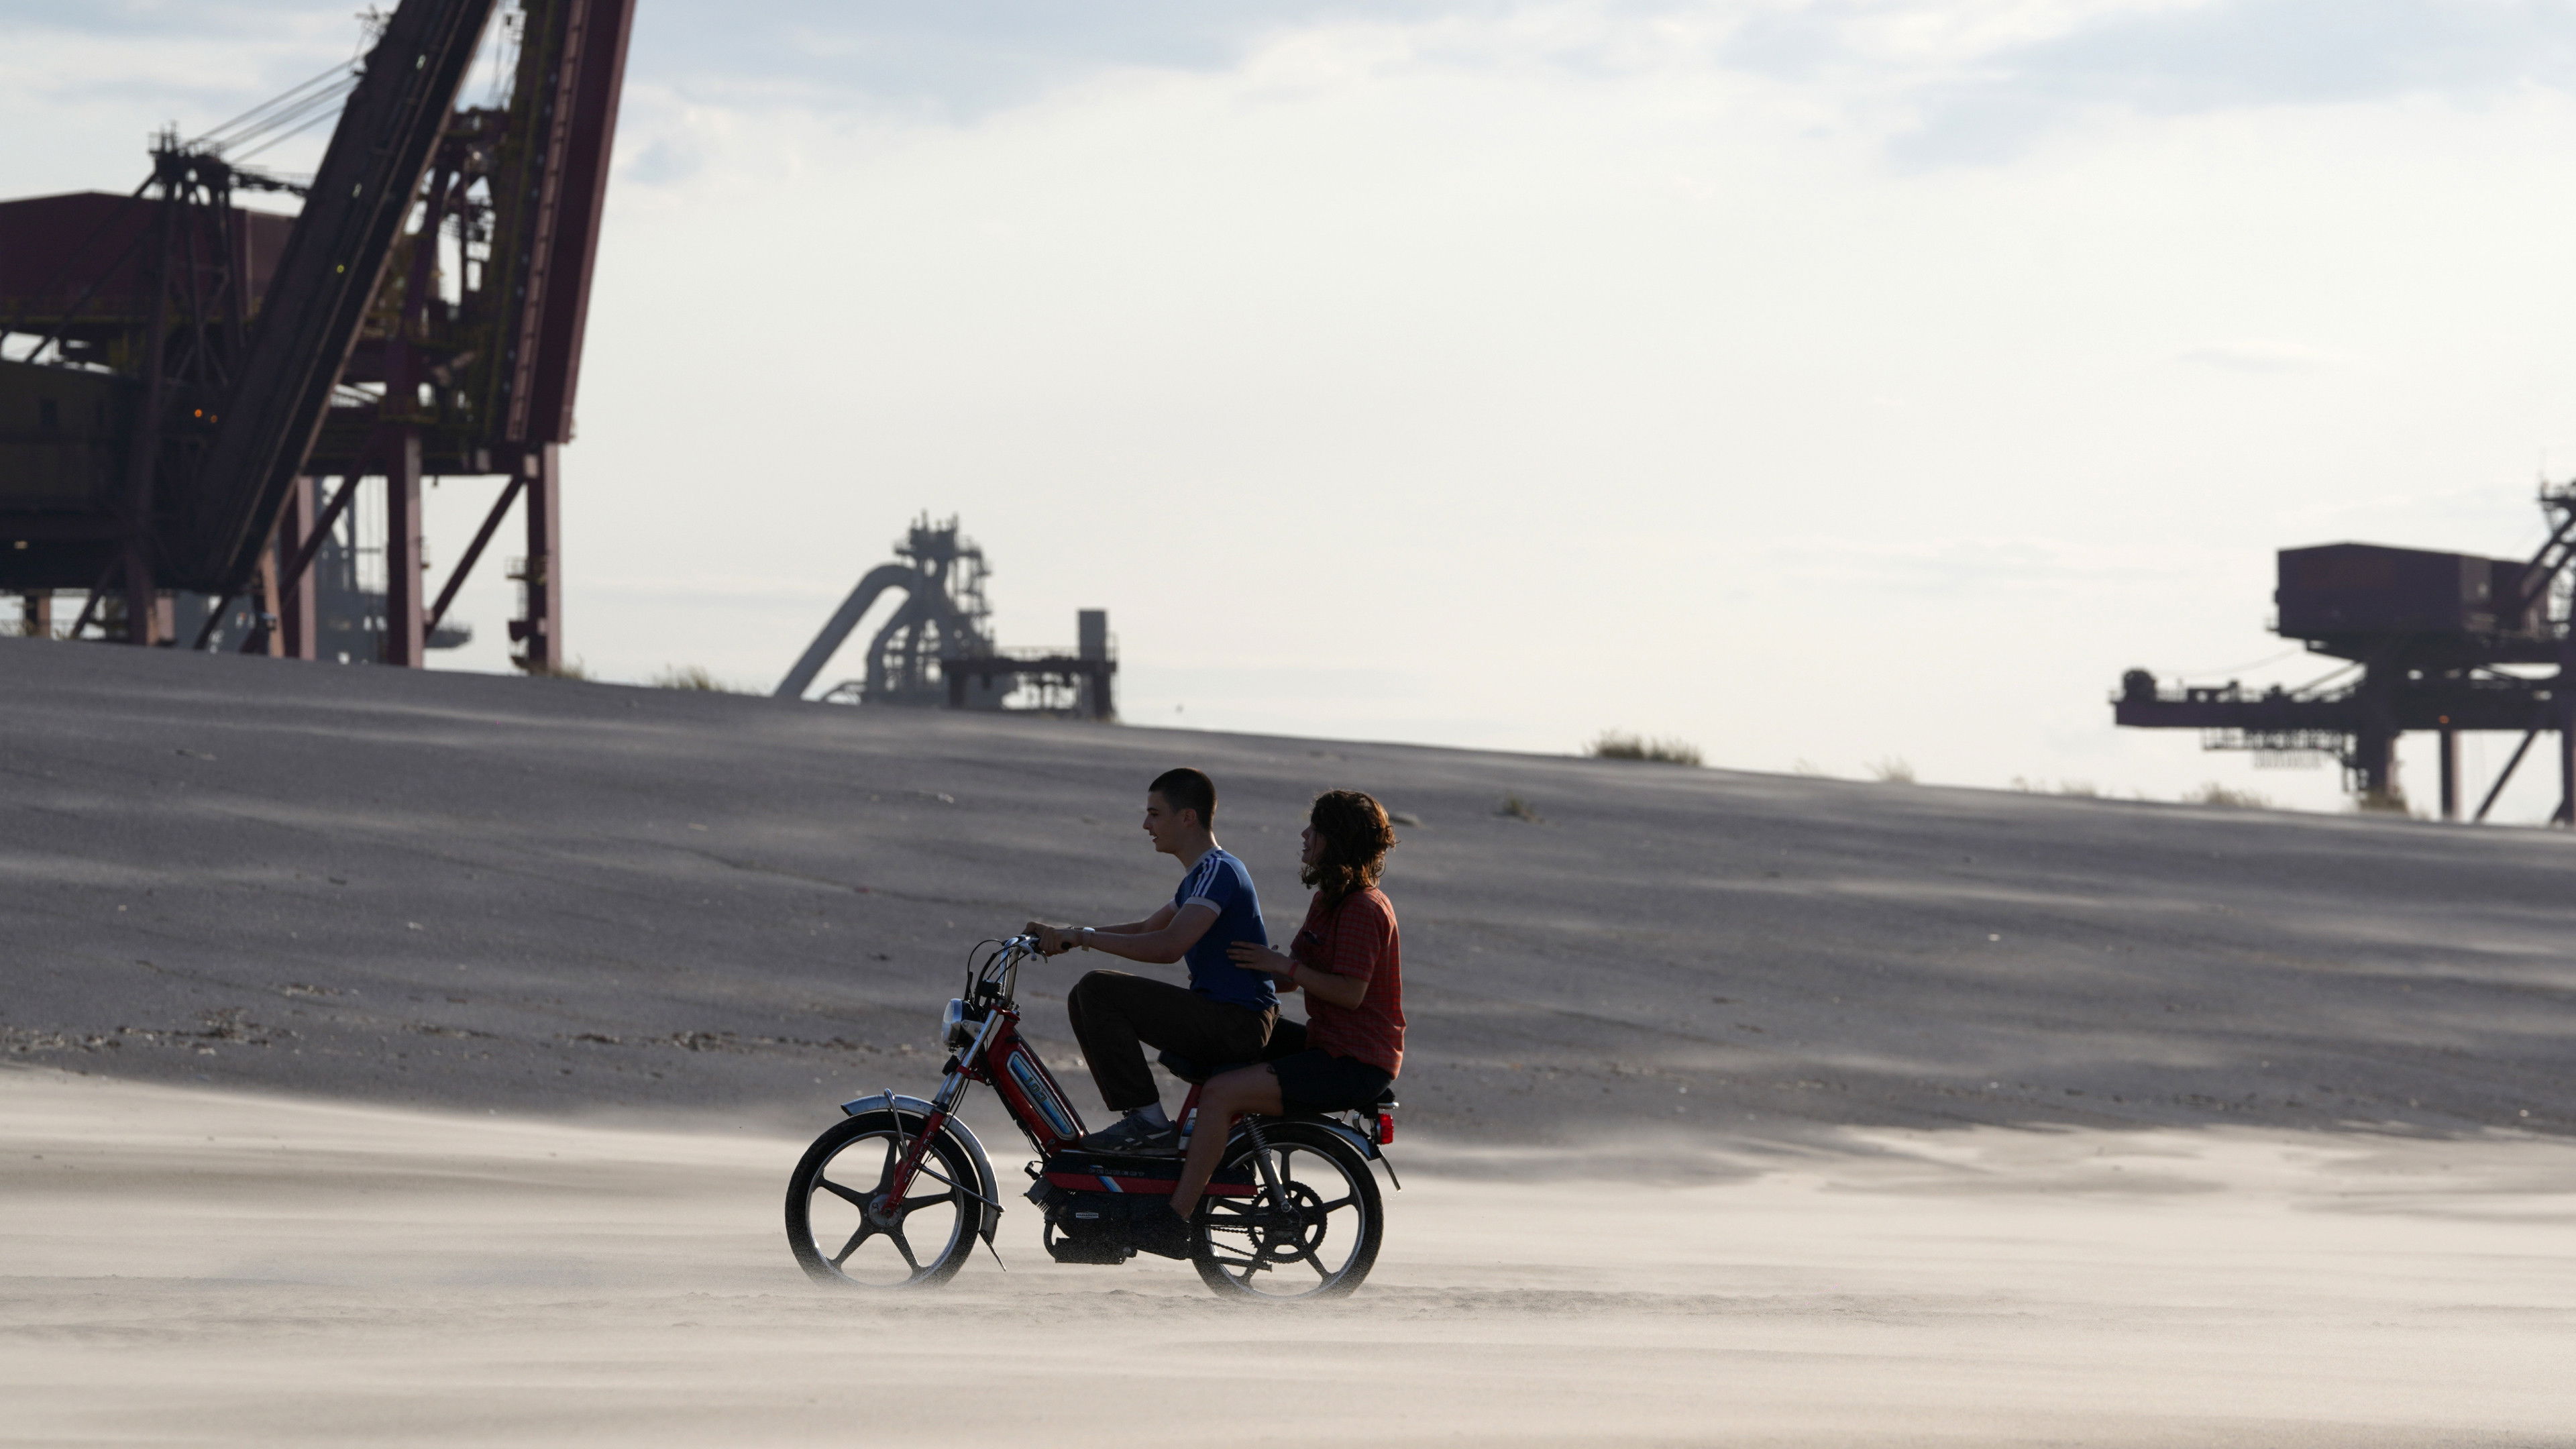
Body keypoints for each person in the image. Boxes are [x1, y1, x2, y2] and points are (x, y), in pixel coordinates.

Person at [1169, 788, 1403, 1225]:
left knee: (1221, 1093)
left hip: (1354, 1061)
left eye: (1315, 829)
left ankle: (1175, 1217)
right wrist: (1232, 974)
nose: (1304, 835)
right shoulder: (1328, 900)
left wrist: (1283, 966)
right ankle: (1199, 1158)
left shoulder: (1363, 908)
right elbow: (1291, 976)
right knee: (1220, 1031)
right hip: (1327, 1042)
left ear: (1337, 840)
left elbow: (1350, 993)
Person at [1024, 767, 1275, 1156]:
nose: (1146, 825)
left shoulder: (1219, 871)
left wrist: (1084, 939)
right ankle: (1140, 1119)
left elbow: (1168, 947)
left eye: (1155, 814)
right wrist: (1069, 934)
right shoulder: (1199, 877)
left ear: (1187, 817)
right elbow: (1145, 929)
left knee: (1097, 990)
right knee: (1083, 997)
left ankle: (1150, 1124)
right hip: (1224, 1015)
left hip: (1236, 1022)